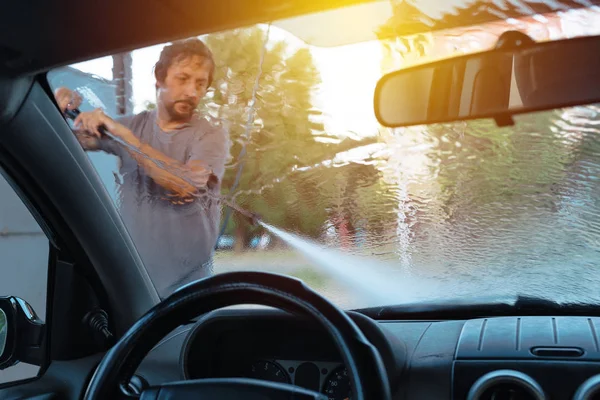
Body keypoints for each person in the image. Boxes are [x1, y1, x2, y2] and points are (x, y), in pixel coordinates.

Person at [54, 38, 230, 298]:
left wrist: (125, 137)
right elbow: (72, 139)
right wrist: (59, 102)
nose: (192, 91)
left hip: (189, 293)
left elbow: (185, 185)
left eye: (200, 83)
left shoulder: (211, 135)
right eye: (183, 78)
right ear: (159, 78)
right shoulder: (132, 126)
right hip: (130, 287)